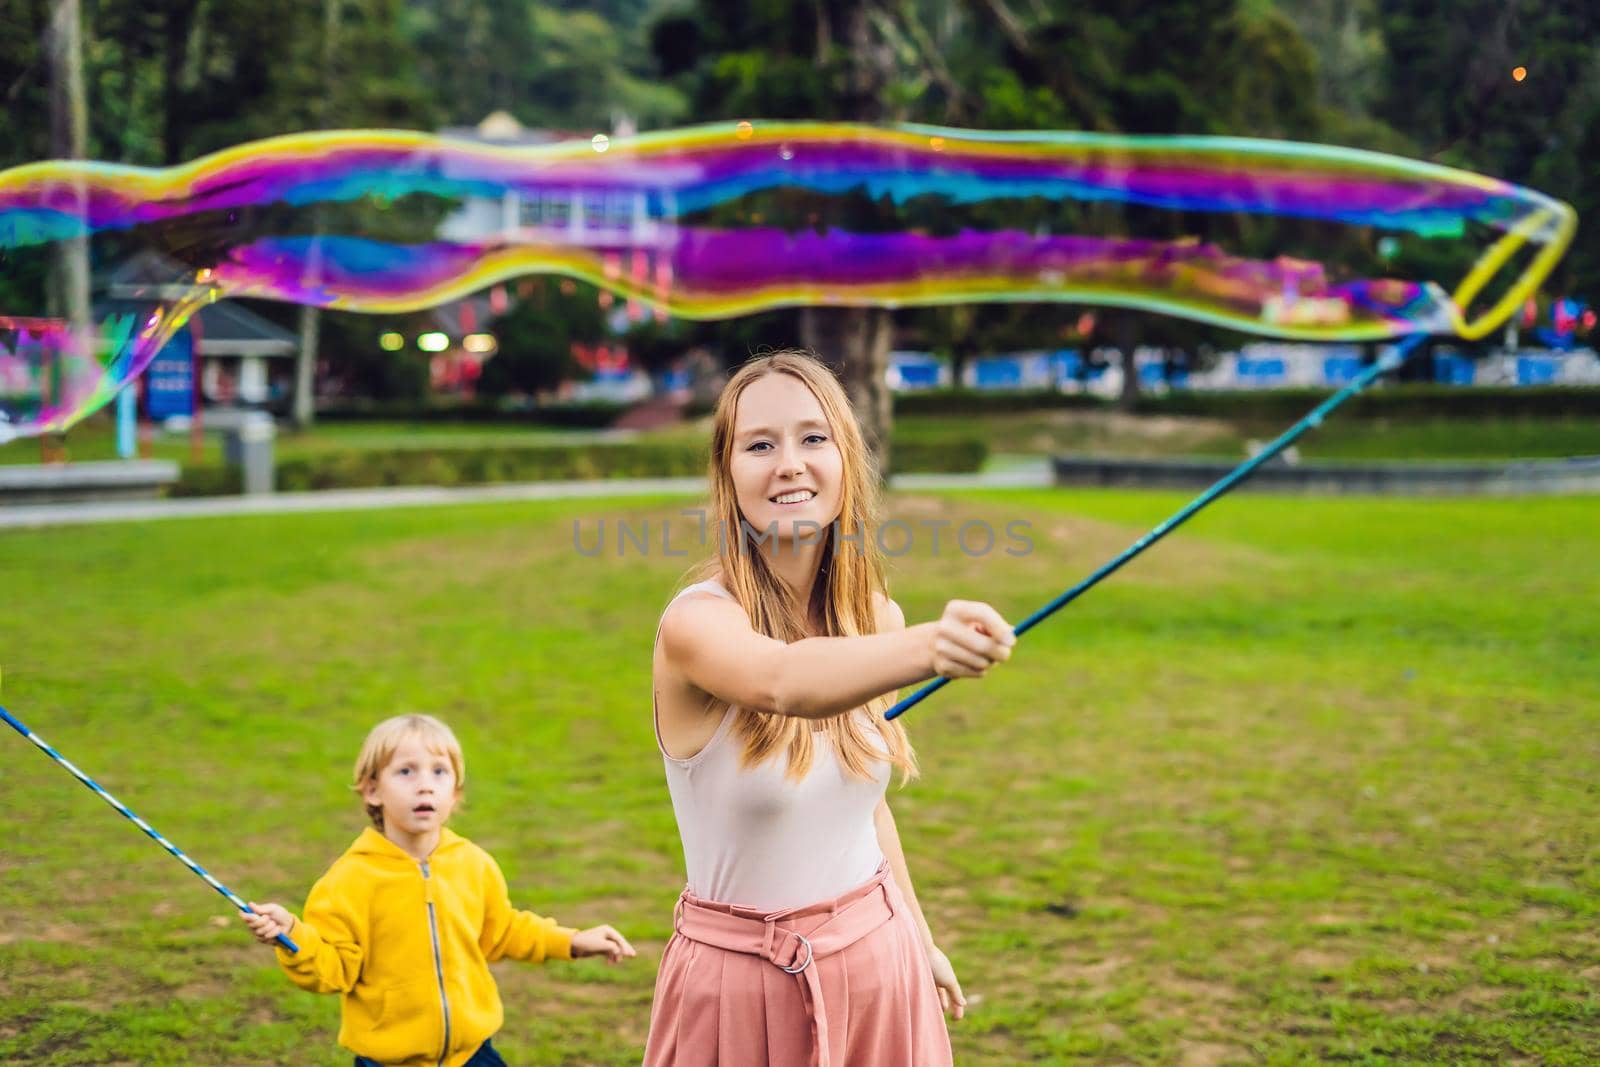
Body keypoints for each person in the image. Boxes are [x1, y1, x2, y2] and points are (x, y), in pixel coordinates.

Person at [644, 350, 1016, 1066]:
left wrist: (919, 933)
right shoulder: (695, 624)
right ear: (728, 476)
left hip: (880, 959)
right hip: (740, 989)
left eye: (813, 438)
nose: (789, 463)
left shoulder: (877, 619)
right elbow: (782, 679)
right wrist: (930, 646)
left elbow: (865, 808)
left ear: (846, 460)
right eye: (760, 444)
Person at [241, 714, 635, 1067]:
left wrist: (574, 941)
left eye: (439, 772)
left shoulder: (474, 864)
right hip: (389, 1061)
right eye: (406, 772)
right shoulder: (348, 880)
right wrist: (292, 934)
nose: (425, 786)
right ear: (371, 791)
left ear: (456, 795)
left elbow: (505, 932)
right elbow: (333, 970)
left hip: (473, 1054)